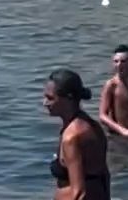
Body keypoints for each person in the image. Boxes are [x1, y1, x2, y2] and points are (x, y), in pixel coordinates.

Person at [44, 69, 110, 200]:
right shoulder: (93, 126)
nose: (45, 103)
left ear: (68, 98)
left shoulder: (72, 137)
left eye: (50, 98)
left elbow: (79, 193)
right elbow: (105, 175)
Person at [99, 45, 128, 139]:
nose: (119, 65)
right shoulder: (111, 85)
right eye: (116, 61)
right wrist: (123, 131)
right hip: (117, 136)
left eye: (123, 61)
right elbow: (102, 116)